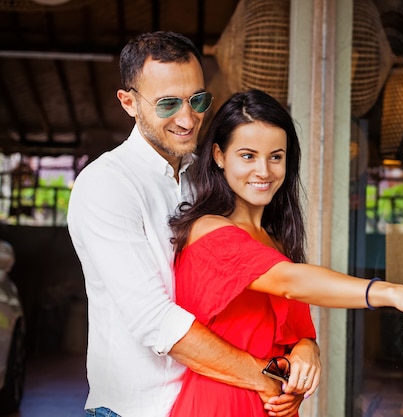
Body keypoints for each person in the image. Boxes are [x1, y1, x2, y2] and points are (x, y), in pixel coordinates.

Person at [167, 89, 403, 417]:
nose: (264, 171)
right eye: (247, 156)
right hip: (218, 405)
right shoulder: (209, 230)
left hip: (271, 405)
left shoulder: (277, 243)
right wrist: (393, 292)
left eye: (276, 156)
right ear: (219, 156)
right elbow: (290, 281)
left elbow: (299, 336)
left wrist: (306, 353)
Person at [67, 32, 320, 417]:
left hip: (213, 402)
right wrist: (266, 377)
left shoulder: (208, 176)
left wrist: (304, 347)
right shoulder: (106, 184)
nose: (188, 119)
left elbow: (261, 281)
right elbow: (155, 320)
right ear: (129, 102)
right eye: (168, 104)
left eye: (197, 100)